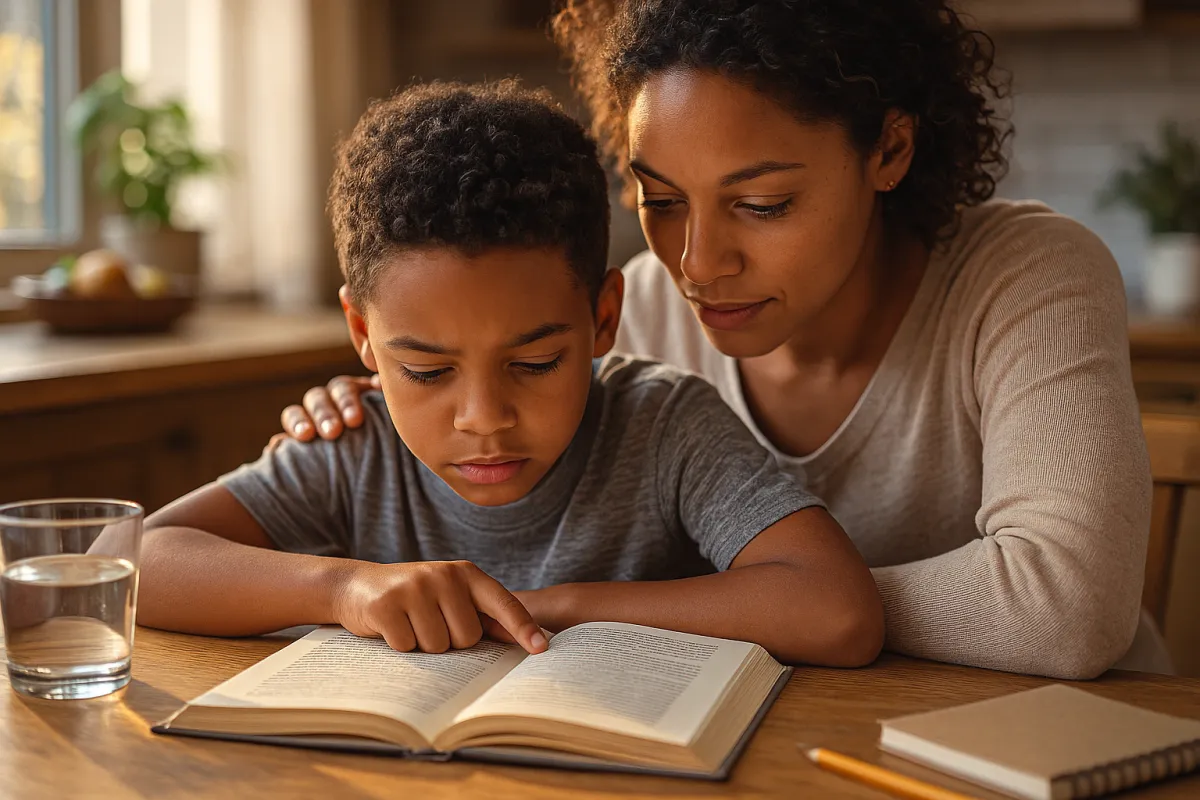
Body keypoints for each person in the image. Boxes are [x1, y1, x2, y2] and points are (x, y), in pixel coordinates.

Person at [281, 0, 1170, 679]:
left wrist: (749, 602)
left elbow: (1066, 609)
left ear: (889, 149)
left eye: (763, 204)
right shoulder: (634, 318)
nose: (697, 263)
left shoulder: (1023, 276)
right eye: (661, 201)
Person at [138, 80, 884, 667]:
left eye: (534, 363)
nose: (483, 417)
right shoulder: (355, 445)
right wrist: (343, 587)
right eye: (427, 372)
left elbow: (837, 612)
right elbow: (134, 558)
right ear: (363, 335)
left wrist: (550, 606)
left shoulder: (665, 426)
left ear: (602, 319)